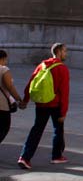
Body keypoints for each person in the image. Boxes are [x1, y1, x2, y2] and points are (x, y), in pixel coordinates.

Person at [18, 42, 70, 170]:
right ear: (58, 51)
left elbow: (31, 82)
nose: (66, 54)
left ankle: (24, 157)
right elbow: (64, 93)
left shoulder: (42, 65)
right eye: (64, 51)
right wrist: (63, 112)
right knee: (58, 130)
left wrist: (25, 99)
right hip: (55, 104)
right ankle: (56, 156)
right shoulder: (62, 69)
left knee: (36, 130)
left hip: (41, 103)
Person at [0, 48, 26, 145]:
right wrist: (19, 99)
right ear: (3, 59)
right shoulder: (3, 69)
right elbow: (10, 87)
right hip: (2, 105)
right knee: (4, 128)